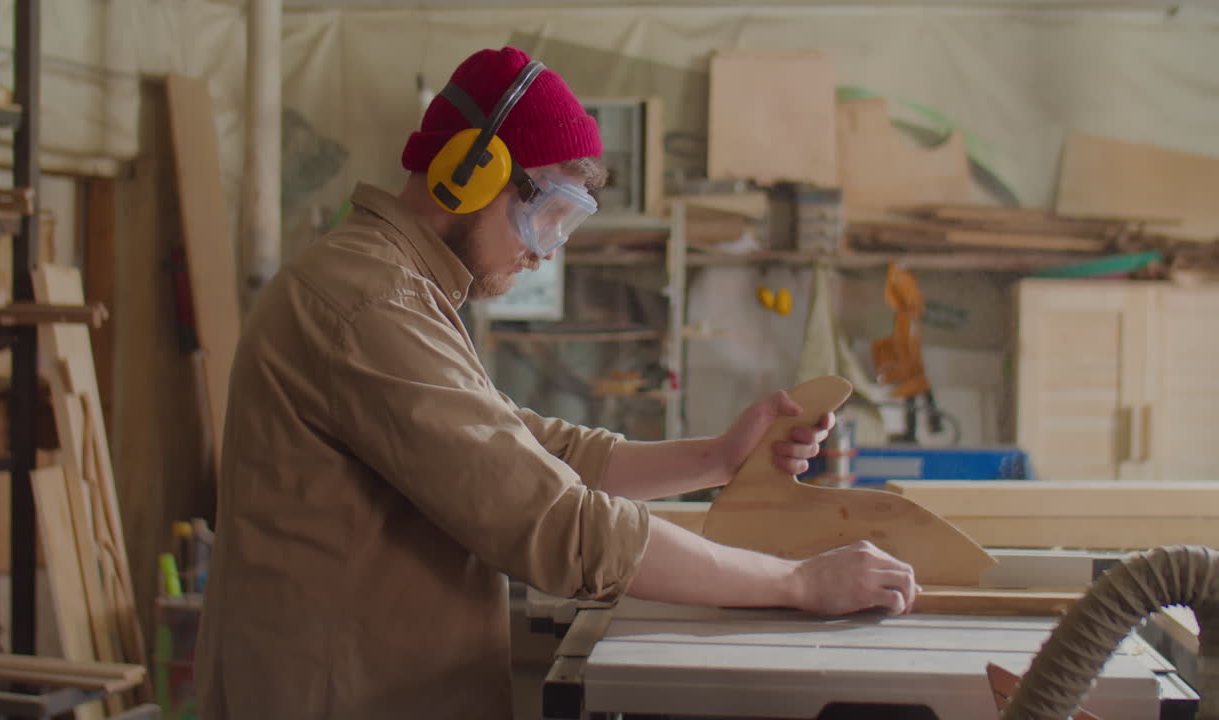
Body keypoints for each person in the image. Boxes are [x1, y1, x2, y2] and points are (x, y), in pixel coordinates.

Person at [193, 46, 918, 720]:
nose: (544, 257)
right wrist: (796, 585)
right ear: (469, 172)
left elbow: (531, 450)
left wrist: (718, 459)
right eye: (545, 218)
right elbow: (549, 521)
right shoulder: (368, 304)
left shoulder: (399, 288)